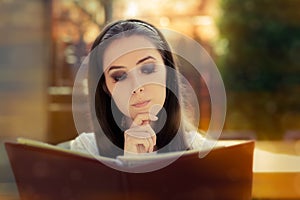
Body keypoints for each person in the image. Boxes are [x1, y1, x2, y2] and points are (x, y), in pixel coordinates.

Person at [70, 19, 204, 158]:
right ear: (105, 88)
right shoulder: (86, 151)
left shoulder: (199, 149)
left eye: (148, 69)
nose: (137, 87)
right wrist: (130, 163)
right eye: (120, 77)